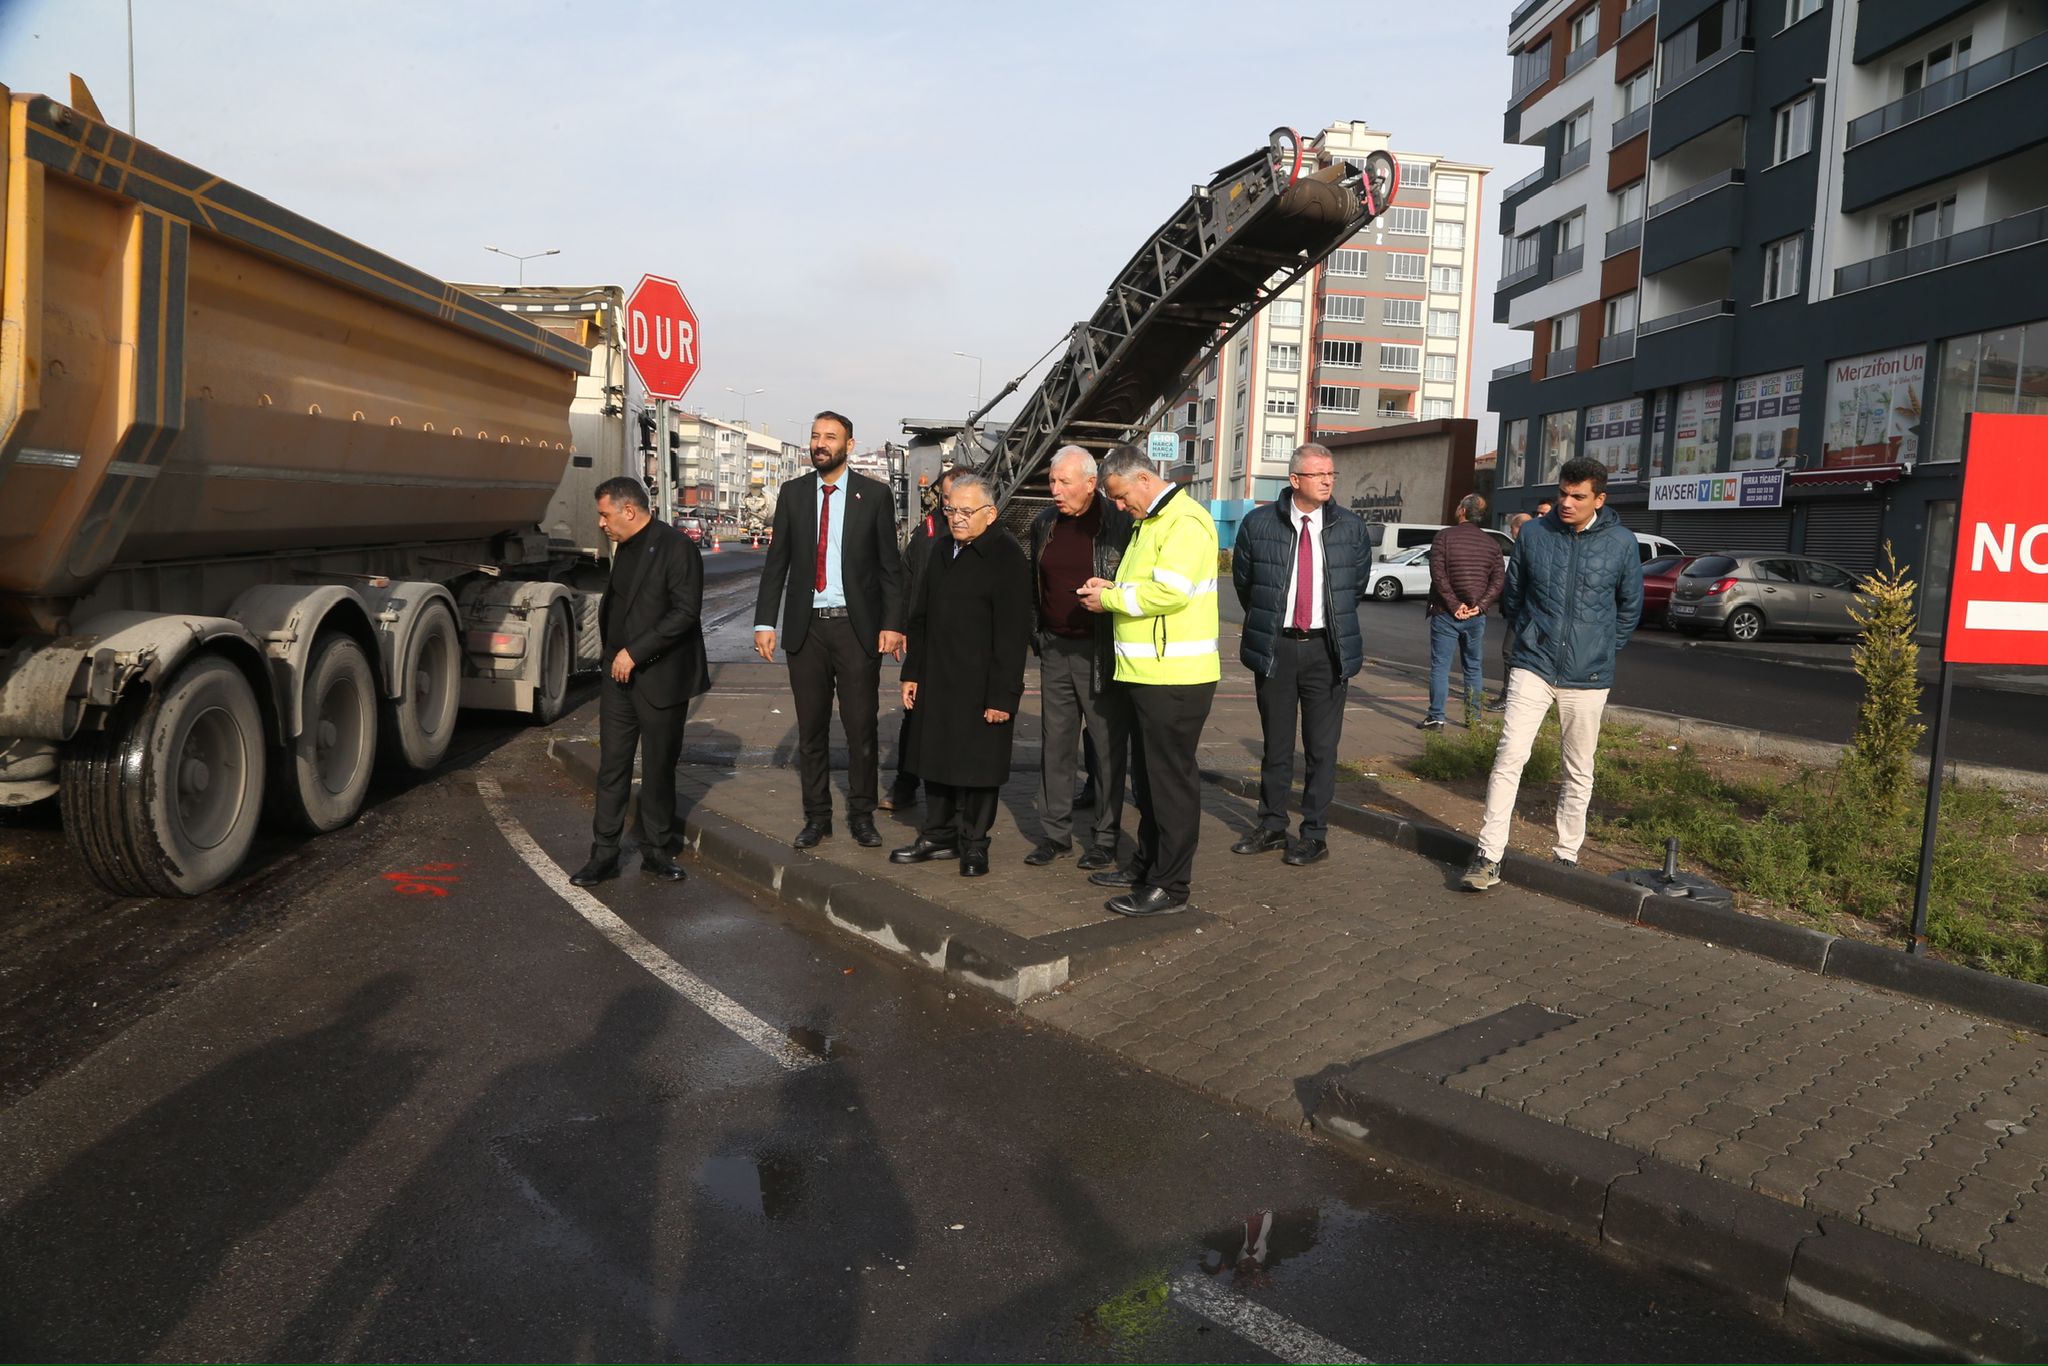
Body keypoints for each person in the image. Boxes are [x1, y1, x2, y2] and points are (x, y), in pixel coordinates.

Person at [1462, 458, 1643, 891]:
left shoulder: (1621, 542)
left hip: (1589, 675)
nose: (1566, 502)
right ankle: (1489, 854)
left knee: (1578, 768)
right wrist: (1530, 636)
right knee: (1509, 756)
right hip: (1534, 665)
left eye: (1577, 496)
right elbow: (1515, 595)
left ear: (1599, 498)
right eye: (1562, 492)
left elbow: (1629, 607)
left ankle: (1565, 856)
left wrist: (1600, 650)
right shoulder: (1536, 536)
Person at [1077, 446, 1220, 916]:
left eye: (1119, 497)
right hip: (1149, 673)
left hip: (1175, 677)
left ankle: (1171, 886)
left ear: (1142, 478)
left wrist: (1111, 600)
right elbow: (1145, 584)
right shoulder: (1151, 522)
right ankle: (1146, 865)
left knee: (1169, 784)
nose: (1118, 507)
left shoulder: (1184, 521)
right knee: (1151, 781)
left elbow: (1170, 592)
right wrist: (1111, 588)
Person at [753, 411, 905, 849]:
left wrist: (892, 625)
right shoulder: (794, 494)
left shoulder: (873, 496)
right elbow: (776, 562)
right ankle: (817, 817)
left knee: (861, 728)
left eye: (830, 437)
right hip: (807, 631)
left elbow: (889, 568)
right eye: (815, 436)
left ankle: (862, 815)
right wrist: (766, 622)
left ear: (849, 446)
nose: (820, 444)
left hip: (856, 631)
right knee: (811, 731)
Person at [1228, 443, 1373, 867]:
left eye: (1332, 474)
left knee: (1321, 749)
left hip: (1327, 651)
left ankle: (1314, 833)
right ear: (1295, 481)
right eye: (1319, 474)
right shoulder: (1258, 525)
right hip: (1277, 649)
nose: (1328, 480)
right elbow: (1246, 585)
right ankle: (1271, 826)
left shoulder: (1350, 526)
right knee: (1275, 747)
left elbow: (1353, 588)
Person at [890, 470, 1033, 877]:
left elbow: (1011, 635)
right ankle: (938, 835)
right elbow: (920, 615)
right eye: (951, 509)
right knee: (933, 756)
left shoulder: (1006, 557)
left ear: (990, 513)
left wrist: (1002, 697)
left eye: (966, 511)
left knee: (978, 766)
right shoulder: (940, 550)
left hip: (981, 683)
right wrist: (912, 672)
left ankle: (974, 843)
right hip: (937, 676)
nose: (956, 518)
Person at [571, 477, 710, 887]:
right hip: (617, 677)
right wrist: (614, 655)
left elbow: (685, 613)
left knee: (658, 767)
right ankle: (604, 855)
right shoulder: (624, 546)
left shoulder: (676, 547)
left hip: (660, 677)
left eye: (605, 513)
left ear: (628, 511)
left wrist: (636, 652)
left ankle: (656, 850)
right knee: (612, 766)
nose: (601, 523)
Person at [1024, 446, 1134, 869]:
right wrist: (1038, 634)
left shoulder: (1119, 522)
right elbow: (1034, 583)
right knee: (1056, 743)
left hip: (1101, 650)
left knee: (1106, 746)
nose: (1055, 490)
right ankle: (1055, 835)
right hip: (1054, 648)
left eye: (1063, 482)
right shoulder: (1043, 523)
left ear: (1091, 483)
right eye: (1052, 481)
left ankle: (1105, 839)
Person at [881, 468, 961, 813]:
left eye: (958, 499)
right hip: (925, 641)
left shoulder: (989, 534)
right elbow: (905, 579)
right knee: (915, 718)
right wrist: (899, 628)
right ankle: (906, 782)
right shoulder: (927, 532)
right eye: (946, 500)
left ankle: (958, 792)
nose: (952, 508)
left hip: (964, 646)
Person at [1421, 494, 1504, 731]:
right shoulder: (1492, 544)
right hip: (1476, 615)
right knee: (1473, 667)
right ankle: (1474, 718)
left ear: (1462, 512)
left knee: (1440, 666)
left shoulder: (1444, 537)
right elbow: (1498, 580)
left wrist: (1454, 604)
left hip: (1446, 612)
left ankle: (1436, 717)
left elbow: (1438, 575)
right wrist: (1482, 604)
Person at [1485, 511, 1535, 712]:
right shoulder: (1525, 547)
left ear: (1518, 529)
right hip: (1522, 611)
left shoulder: (1526, 548)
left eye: (1511, 528)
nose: (1510, 532)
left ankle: (1509, 696)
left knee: (1510, 652)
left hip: (1524, 612)